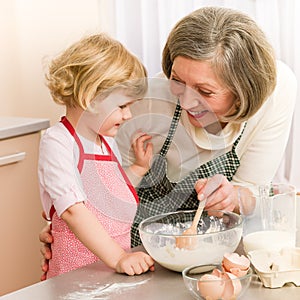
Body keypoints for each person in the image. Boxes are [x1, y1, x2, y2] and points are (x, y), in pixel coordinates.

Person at [39, 6, 297, 276]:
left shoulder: (278, 93)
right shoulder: (145, 104)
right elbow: (92, 187)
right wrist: (66, 226)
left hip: (209, 256)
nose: (185, 101)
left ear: (244, 90)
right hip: (134, 254)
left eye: (205, 91)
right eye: (177, 81)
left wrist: (232, 197)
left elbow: (254, 192)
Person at [38, 33, 155, 279]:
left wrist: (138, 169)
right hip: (76, 276)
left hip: (113, 272)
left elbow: (109, 197)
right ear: (90, 97)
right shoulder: (58, 142)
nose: (128, 115)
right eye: (123, 106)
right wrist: (119, 258)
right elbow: (72, 211)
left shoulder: (107, 143)